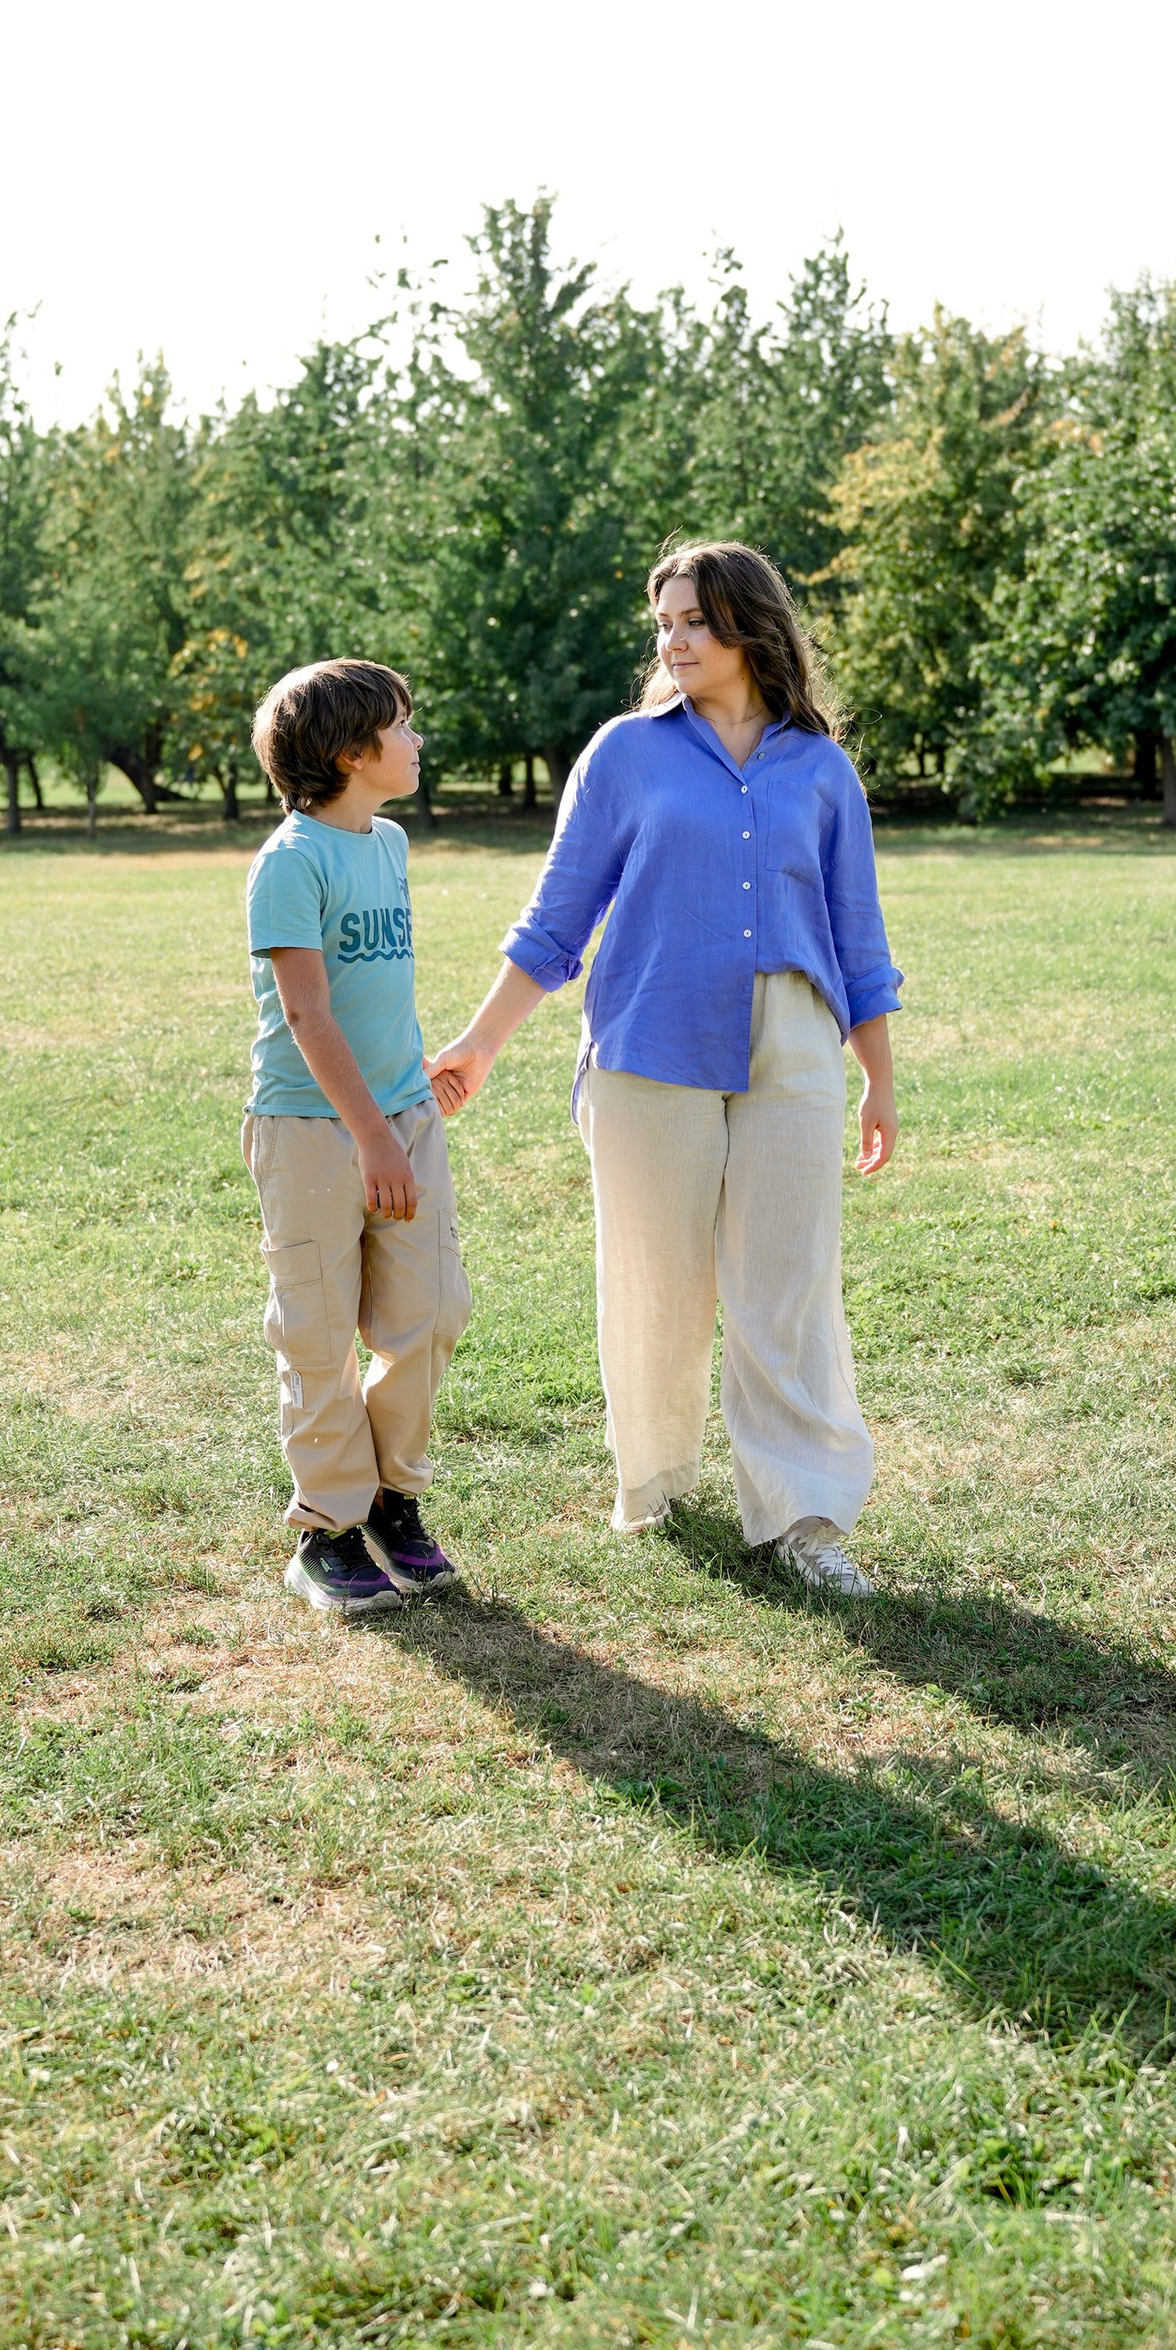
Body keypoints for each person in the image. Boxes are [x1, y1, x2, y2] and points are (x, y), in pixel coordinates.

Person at [428, 543, 901, 1597]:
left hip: (792, 1039)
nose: (672, 640)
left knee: (789, 1287)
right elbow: (557, 918)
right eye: (664, 624)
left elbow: (857, 935)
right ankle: (657, 1484)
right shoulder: (624, 755)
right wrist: (480, 1040)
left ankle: (806, 1515)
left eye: (693, 620)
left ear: (748, 627)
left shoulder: (820, 770)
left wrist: (878, 1076)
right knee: (657, 1283)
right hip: (648, 1040)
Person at [243, 659, 468, 1621]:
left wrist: (418, 1087)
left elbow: (382, 998)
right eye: (404, 726)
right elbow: (308, 1014)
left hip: (402, 1118)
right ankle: (326, 1532)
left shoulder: (389, 842)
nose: (418, 741)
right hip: (312, 1132)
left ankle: (391, 1497)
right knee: (320, 1330)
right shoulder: (290, 863)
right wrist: (370, 1134)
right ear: (350, 752)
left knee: (432, 1311)